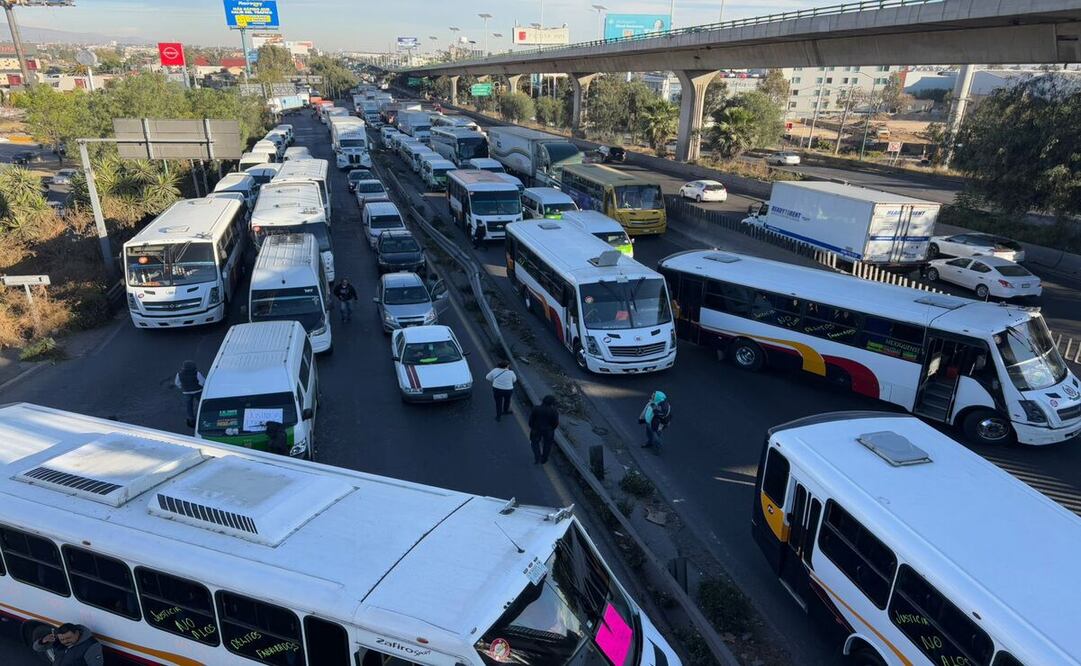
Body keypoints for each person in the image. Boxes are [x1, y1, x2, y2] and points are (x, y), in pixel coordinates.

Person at [32, 623, 103, 665]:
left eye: (69, 638)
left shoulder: (91, 646)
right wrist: (43, 641)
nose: (65, 641)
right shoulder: (59, 640)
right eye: (62, 639)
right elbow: (37, 648)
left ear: (77, 633)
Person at [528, 395, 559, 464]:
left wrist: (532, 427)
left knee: (534, 443)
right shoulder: (554, 411)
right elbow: (555, 423)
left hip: (536, 429)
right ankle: (544, 459)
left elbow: (531, 420)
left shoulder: (536, 408)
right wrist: (551, 429)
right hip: (548, 430)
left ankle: (537, 457)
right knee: (547, 444)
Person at [174, 360, 205, 429]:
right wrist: (201, 387)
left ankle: (191, 419)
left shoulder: (179, 374)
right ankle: (204, 415)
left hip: (186, 392)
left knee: (189, 406)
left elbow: (177, 383)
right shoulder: (197, 373)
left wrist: (182, 387)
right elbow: (202, 381)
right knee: (202, 404)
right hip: (198, 391)